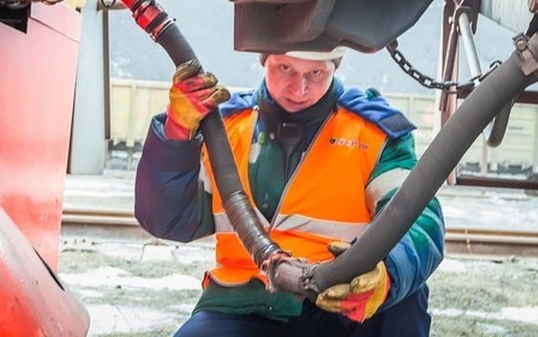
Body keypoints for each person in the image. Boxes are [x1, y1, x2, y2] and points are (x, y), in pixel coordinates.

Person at [134, 47, 445, 336]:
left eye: (316, 73)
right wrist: (176, 135)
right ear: (264, 60)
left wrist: (387, 276)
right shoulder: (224, 128)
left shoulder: (374, 133)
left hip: (342, 304)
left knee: (405, 296)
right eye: (285, 68)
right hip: (245, 305)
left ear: (333, 67)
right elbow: (169, 221)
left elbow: (418, 219)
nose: (300, 89)